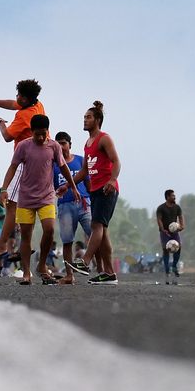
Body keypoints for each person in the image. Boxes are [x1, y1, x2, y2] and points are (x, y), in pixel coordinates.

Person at [0, 114, 81, 285]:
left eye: (44, 133)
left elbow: (64, 167)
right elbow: (12, 167)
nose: (41, 137)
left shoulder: (54, 146)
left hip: (46, 197)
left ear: (47, 131)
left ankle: (42, 265)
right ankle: (27, 273)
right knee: (26, 236)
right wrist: (4, 189)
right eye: (38, 134)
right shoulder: (23, 146)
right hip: (26, 198)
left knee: (49, 229)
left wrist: (73, 186)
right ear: (32, 131)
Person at [0, 79, 45, 264]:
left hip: (24, 162)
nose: (17, 98)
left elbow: (8, 136)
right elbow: (12, 104)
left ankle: (1, 246)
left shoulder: (24, 116)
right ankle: (26, 244)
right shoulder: (37, 105)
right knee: (28, 205)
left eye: (19, 96)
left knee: (10, 205)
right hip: (40, 162)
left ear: (26, 99)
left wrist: (1, 123)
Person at [65, 101, 121, 285]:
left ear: (97, 120)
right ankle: (109, 274)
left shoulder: (104, 139)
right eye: (84, 117)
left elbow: (116, 162)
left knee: (97, 226)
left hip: (107, 189)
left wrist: (112, 180)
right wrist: (68, 185)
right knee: (102, 232)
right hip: (94, 191)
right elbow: (84, 172)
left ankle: (85, 262)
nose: (85, 120)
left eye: (88, 117)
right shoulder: (87, 143)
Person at [53, 131, 91, 284]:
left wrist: (91, 199)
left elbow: (88, 182)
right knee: (67, 241)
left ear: (70, 144)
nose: (61, 147)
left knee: (96, 235)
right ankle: (69, 275)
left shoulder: (81, 161)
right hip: (65, 206)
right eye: (58, 144)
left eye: (63, 143)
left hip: (84, 203)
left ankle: (103, 270)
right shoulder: (54, 166)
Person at [156, 190, 185, 284]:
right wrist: (162, 228)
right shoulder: (161, 208)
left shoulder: (177, 207)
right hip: (165, 232)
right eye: (173, 196)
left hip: (175, 232)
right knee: (166, 249)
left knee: (178, 247)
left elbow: (180, 217)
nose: (174, 197)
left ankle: (174, 266)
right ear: (167, 197)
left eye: (174, 195)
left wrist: (182, 226)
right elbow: (159, 219)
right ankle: (167, 269)